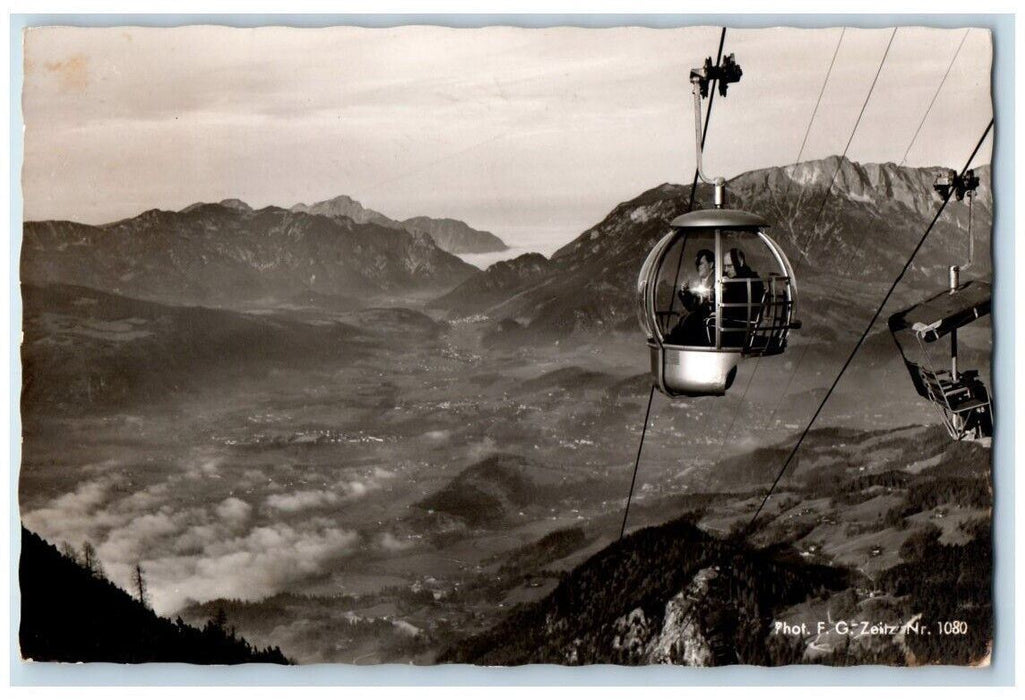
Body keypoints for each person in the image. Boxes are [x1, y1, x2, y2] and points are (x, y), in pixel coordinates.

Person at [666, 249, 715, 346]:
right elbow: (693, 306)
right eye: (697, 264)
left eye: (701, 263)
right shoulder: (702, 281)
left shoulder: (716, 280)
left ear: (711, 264)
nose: (698, 267)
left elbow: (704, 305)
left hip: (708, 322)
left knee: (685, 326)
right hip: (700, 320)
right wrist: (685, 293)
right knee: (680, 327)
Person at [720, 247, 765, 347]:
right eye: (725, 266)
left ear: (740, 263)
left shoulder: (751, 282)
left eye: (730, 266)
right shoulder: (737, 280)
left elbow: (741, 308)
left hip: (737, 328)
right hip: (732, 324)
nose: (726, 270)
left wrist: (728, 286)